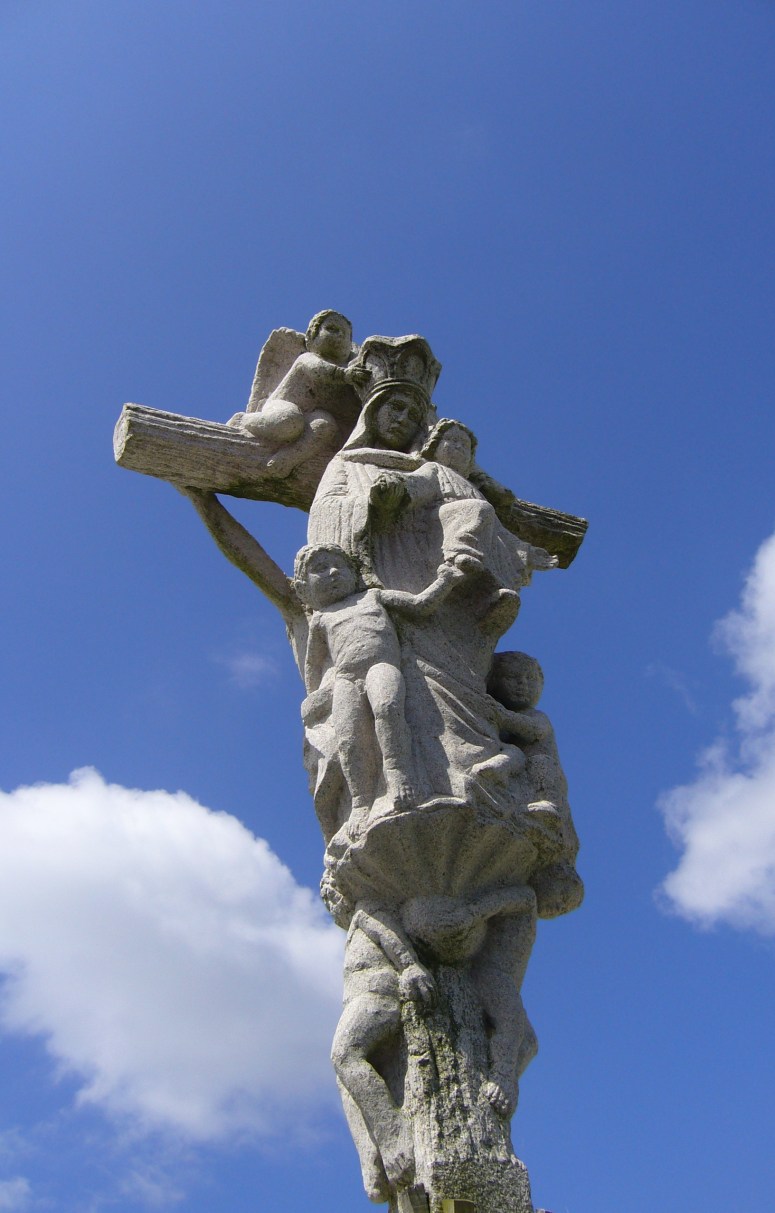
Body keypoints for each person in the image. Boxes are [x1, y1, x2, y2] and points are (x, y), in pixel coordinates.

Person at [294, 542, 461, 824]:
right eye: (320, 569)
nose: (333, 573)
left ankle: (399, 776)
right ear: (304, 588)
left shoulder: (373, 597)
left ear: (355, 573)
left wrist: (445, 580)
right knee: (349, 736)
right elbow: (313, 664)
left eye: (340, 566)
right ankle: (360, 802)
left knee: (387, 708)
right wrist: (314, 698)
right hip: (346, 678)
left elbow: (420, 605)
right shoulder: (321, 619)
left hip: (380, 665)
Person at [487, 651, 583, 918]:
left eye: (530, 679)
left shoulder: (536, 716)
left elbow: (533, 731)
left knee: (540, 765)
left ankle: (548, 807)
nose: (522, 684)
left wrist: (500, 715)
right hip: (519, 777)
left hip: (542, 776)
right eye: (512, 678)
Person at [229, 310, 367, 477]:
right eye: (331, 328)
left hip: (313, 414)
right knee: (288, 422)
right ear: (311, 337)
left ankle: (287, 459)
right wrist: (344, 375)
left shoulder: (350, 371)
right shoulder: (307, 358)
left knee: (325, 425)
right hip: (285, 406)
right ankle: (243, 420)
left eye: (344, 334)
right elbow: (318, 371)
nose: (338, 335)